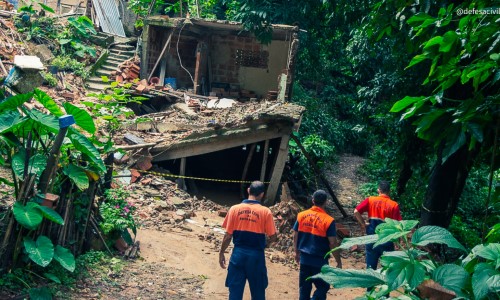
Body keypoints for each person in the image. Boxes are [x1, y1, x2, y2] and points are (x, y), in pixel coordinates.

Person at [219, 181, 277, 300]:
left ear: (248, 190)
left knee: (234, 292)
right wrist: (264, 245)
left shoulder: (234, 209)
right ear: (262, 194)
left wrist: (221, 253)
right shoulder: (266, 212)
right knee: (258, 292)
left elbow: (228, 236)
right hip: (256, 256)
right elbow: (273, 237)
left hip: (238, 255)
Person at [293, 190, 342, 300]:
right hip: (320, 261)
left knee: (304, 287)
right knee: (323, 286)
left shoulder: (301, 215)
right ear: (326, 202)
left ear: (313, 200)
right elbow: (333, 243)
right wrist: (338, 260)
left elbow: (295, 235)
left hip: (305, 259)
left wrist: (296, 252)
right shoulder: (328, 220)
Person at [353, 180, 402, 269]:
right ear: (389, 191)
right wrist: (398, 241)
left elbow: (356, 211)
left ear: (378, 190)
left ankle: (371, 282)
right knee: (388, 269)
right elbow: (398, 225)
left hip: (372, 238)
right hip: (387, 240)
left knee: (371, 268)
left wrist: (363, 223)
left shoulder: (370, 200)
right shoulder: (394, 205)